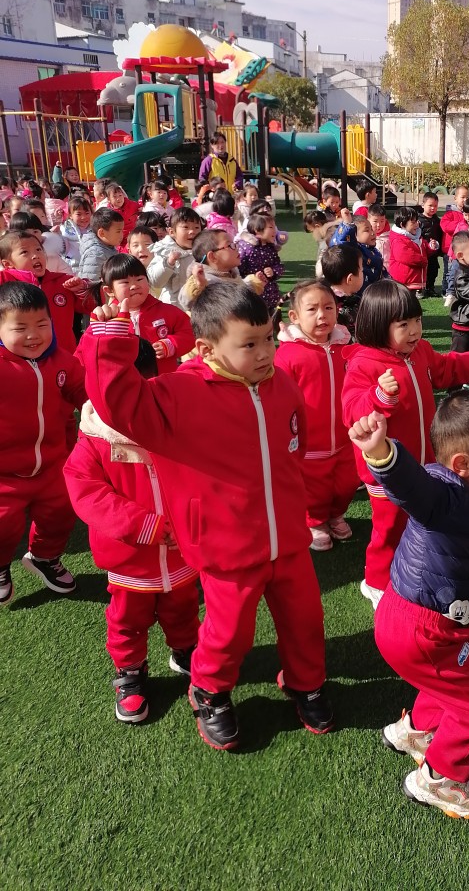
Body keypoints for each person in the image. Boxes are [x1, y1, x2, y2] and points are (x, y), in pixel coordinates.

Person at [81, 284, 332, 749]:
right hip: (225, 546)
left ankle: (306, 683)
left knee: (305, 620)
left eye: (268, 338)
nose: (265, 353)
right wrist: (109, 337)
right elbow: (119, 403)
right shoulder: (180, 392)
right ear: (206, 348)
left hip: (288, 539)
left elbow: (294, 442)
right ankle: (210, 690)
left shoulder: (280, 383)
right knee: (228, 632)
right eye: (249, 344)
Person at [348, 393, 469, 819]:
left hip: (439, 620)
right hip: (421, 627)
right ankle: (440, 779)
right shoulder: (442, 497)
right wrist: (381, 452)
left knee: (465, 671)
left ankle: (416, 731)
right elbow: (410, 485)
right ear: (462, 464)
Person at [63, 339, 200, 724]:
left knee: (183, 608)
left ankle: (186, 650)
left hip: (181, 550)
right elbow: (88, 493)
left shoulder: (175, 423)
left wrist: (191, 522)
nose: (128, 408)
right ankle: (130, 673)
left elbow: (201, 478)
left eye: (138, 393)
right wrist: (144, 525)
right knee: (127, 621)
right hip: (129, 559)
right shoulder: (94, 439)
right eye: (116, 397)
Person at [342, 281, 469, 609]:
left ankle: (418, 569)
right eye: (404, 324)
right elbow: (352, 410)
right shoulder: (364, 364)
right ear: (377, 324)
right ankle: (377, 583)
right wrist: (379, 396)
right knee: (390, 527)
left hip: (425, 463)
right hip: (386, 471)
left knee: (424, 519)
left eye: (417, 321)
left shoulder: (420, 352)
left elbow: (447, 369)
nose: (415, 330)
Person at [0, 282, 87, 605]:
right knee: (3, 526)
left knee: (60, 515)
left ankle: (44, 558)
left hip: (53, 464)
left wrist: (97, 409)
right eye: (20, 328)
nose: (33, 335)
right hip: (4, 474)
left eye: (42, 324)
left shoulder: (61, 361)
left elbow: (82, 391)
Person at [276, 280, 360, 551]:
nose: (322, 315)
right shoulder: (288, 354)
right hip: (309, 443)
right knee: (314, 489)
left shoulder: (346, 345)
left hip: (347, 437)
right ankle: (315, 522)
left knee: (346, 483)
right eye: (312, 309)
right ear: (294, 316)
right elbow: (279, 399)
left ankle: (336, 514)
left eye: (328, 307)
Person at [78, 254, 194, 374]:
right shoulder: (106, 319)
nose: (134, 286)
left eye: (139, 279)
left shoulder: (167, 311)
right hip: (125, 381)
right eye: (125, 282)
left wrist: (171, 344)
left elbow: (190, 332)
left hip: (162, 380)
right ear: (110, 291)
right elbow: (84, 352)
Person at [0, 229, 94, 354]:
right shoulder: (4, 282)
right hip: (17, 358)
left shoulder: (63, 282)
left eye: (38, 249)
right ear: (8, 264)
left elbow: (90, 306)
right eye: (24, 252)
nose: (36, 255)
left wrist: (82, 290)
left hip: (62, 354)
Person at [178, 229, 262, 310]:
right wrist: (197, 285)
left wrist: (252, 284)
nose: (237, 248)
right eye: (230, 245)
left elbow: (238, 295)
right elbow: (185, 302)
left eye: (234, 244)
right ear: (213, 257)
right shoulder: (206, 280)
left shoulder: (231, 274)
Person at [147, 207, 202, 305]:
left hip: (199, 302)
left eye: (196, 227)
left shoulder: (203, 250)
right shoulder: (165, 250)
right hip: (173, 304)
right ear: (171, 232)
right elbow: (155, 281)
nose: (192, 231)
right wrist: (168, 263)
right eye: (186, 227)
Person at [237, 213, 284, 314]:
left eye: (274, 227)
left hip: (270, 295)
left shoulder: (270, 247)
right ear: (257, 230)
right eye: (271, 227)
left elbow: (279, 265)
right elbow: (238, 270)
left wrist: (273, 271)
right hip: (252, 296)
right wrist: (251, 278)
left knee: (270, 318)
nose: (275, 230)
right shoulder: (246, 248)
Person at [330, 208, 386, 290]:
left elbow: (381, 271)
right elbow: (341, 244)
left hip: (375, 291)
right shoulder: (354, 250)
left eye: (371, 228)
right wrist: (347, 224)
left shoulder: (372, 250)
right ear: (354, 235)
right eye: (367, 230)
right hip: (360, 294)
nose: (372, 233)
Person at [388, 207, 437, 297]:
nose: (417, 224)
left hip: (414, 280)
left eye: (417, 221)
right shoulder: (398, 239)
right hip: (404, 281)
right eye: (413, 222)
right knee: (403, 301)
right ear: (402, 225)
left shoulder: (417, 236)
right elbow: (406, 256)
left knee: (411, 302)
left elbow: (423, 249)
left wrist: (431, 247)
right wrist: (424, 261)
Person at [320, 244, 364, 337]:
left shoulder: (323, 299)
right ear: (350, 279)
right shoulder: (352, 306)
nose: (363, 274)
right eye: (362, 271)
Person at [439, 186, 469, 304]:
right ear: (455, 198)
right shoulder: (450, 213)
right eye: (463, 197)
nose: (465, 200)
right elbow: (445, 226)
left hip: (465, 249)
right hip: (450, 249)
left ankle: (460, 290)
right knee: (449, 271)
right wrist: (461, 224)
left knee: (463, 270)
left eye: (467, 197)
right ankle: (446, 291)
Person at [78, 208, 125, 284]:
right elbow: (91, 284)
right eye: (118, 231)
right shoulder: (96, 254)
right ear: (102, 233)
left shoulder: (107, 247)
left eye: (122, 231)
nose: (122, 235)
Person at [59, 194, 93, 271]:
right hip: (72, 268)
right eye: (79, 214)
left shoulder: (96, 229)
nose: (83, 217)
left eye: (87, 213)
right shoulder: (64, 230)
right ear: (70, 215)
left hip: (91, 267)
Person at [418, 192, 443, 297]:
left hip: (433, 252)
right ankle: (419, 288)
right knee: (421, 270)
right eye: (430, 205)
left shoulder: (437, 220)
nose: (433, 208)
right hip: (422, 251)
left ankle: (430, 287)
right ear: (423, 205)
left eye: (435, 206)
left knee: (433, 270)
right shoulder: (418, 220)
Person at [303, 208, 336, 277]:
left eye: (312, 231)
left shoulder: (329, 237)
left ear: (317, 226)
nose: (313, 234)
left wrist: (320, 274)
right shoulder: (324, 235)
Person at [370, 203, 391, 271]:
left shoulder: (390, 236)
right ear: (368, 220)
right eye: (375, 221)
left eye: (382, 221)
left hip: (388, 270)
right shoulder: (365, 237)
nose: (379, 225)